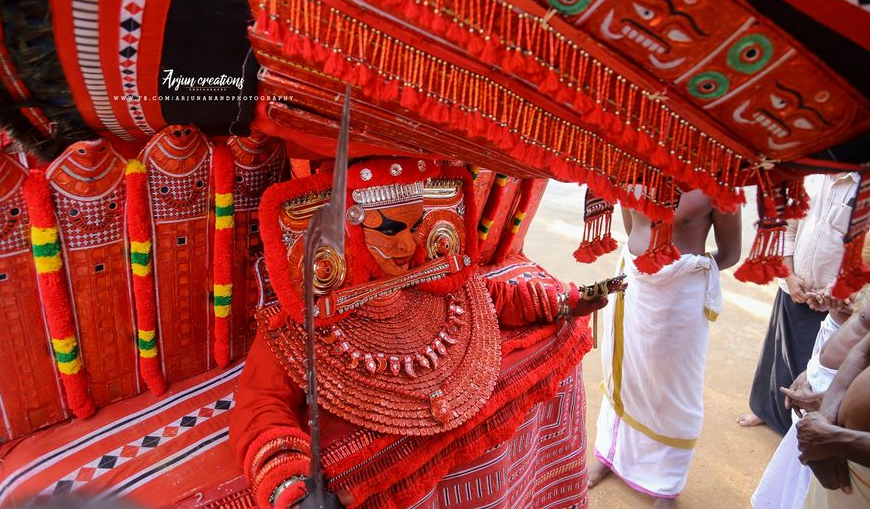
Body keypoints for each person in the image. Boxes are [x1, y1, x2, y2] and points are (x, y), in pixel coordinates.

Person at [229, 158, 616, 508]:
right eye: (392, 229)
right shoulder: (305, 318)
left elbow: (494, 298)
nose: (410, 244)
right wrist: (291, 489)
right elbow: (262, 405)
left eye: (416, 227)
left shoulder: (436, 279)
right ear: (347, 232)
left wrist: (565, 303)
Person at [588, 189, 742, 506]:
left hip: (680, 297)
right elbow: (633, 231)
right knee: (624, 370)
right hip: (635, 286)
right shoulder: (632, 169)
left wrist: (682, 273)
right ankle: (610, 452)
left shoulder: (718, 183)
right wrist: (650, 269)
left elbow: (730, 253)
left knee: (673, 388)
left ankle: (666, 483)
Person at [739, 172, 859, 434]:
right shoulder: (809, 176)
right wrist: (789, 276)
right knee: (777, 355)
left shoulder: (864, 186)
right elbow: (787, 229)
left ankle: (800, 431)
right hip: (795, 286)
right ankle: (764, 411)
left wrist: (839, 288)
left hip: (838, 303)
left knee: (817, 369)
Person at [751, 286, 866, 509]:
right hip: (826, 418)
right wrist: (823, 416)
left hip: (847, 437)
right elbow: (862, 349)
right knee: (794, 488)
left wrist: (833, 434)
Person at [796, 327, 870, 507]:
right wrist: (825, 421)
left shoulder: (834, 440)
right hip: (841, 462)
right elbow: (863, 351)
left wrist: (837, 440)